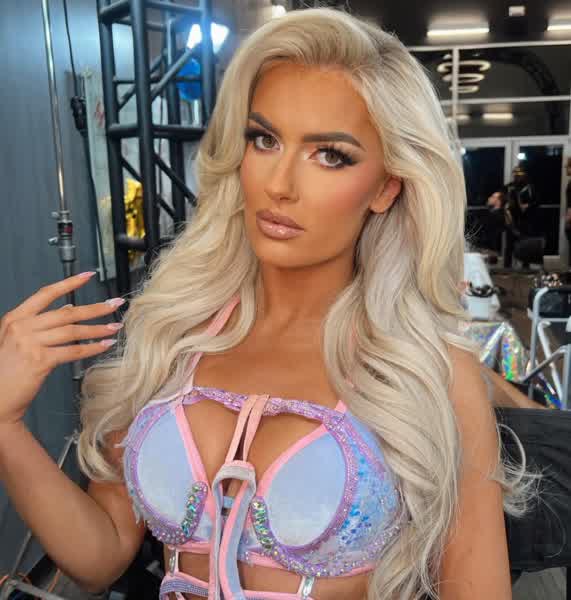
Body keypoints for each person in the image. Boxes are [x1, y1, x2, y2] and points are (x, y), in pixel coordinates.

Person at [0, 8, 537, 600]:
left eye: (330, 155)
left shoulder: (433, 376)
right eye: (265, 139)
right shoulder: (176, 336)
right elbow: (101, 557)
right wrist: (5, 425)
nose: (280, 184)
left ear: (386, 187)